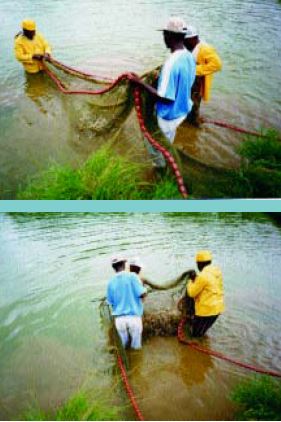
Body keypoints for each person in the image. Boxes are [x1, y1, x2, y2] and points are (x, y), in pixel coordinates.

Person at [131, 17, 196, 167]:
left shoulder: (170, 64)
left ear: (169, 35)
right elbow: (188, 83)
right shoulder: (188, 56)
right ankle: (167, 160)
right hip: (182, 111)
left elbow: (165, 98)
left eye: (164, 34)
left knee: (155, 145)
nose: (163, 38)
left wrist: (139, 83)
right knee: (167, 142)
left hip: (167, 116)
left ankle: (160, 170)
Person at [184, 26, 222, 126]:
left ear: (193, 38)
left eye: (185, 40)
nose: (183, 43)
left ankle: (194, 124)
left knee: (194, 104)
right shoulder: (191, 47)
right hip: (190, 80)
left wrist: (195, 70)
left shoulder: (205, 49)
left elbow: (217, 65)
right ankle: (187, 123)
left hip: (197, 83)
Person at [107, 257, 147, 349]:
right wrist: (144, 290)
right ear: (124, 265)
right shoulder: (133, 276)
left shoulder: (110, 282)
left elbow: (110, 302)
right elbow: (142, 294)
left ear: (114, 268)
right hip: (134, 318)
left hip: (119, 320)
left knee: (123, 348)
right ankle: (136, 361)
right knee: (136, 348)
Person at [186, 250, 224, 337]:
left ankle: (195, 347)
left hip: (206, 311)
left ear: (199, 264)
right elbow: (208, 286)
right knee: (202, 332)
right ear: (210, 262)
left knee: (195, 335)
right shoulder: (217, 271)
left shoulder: (202, 276)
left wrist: (190, 281)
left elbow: (191, 293)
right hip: (218, 308)